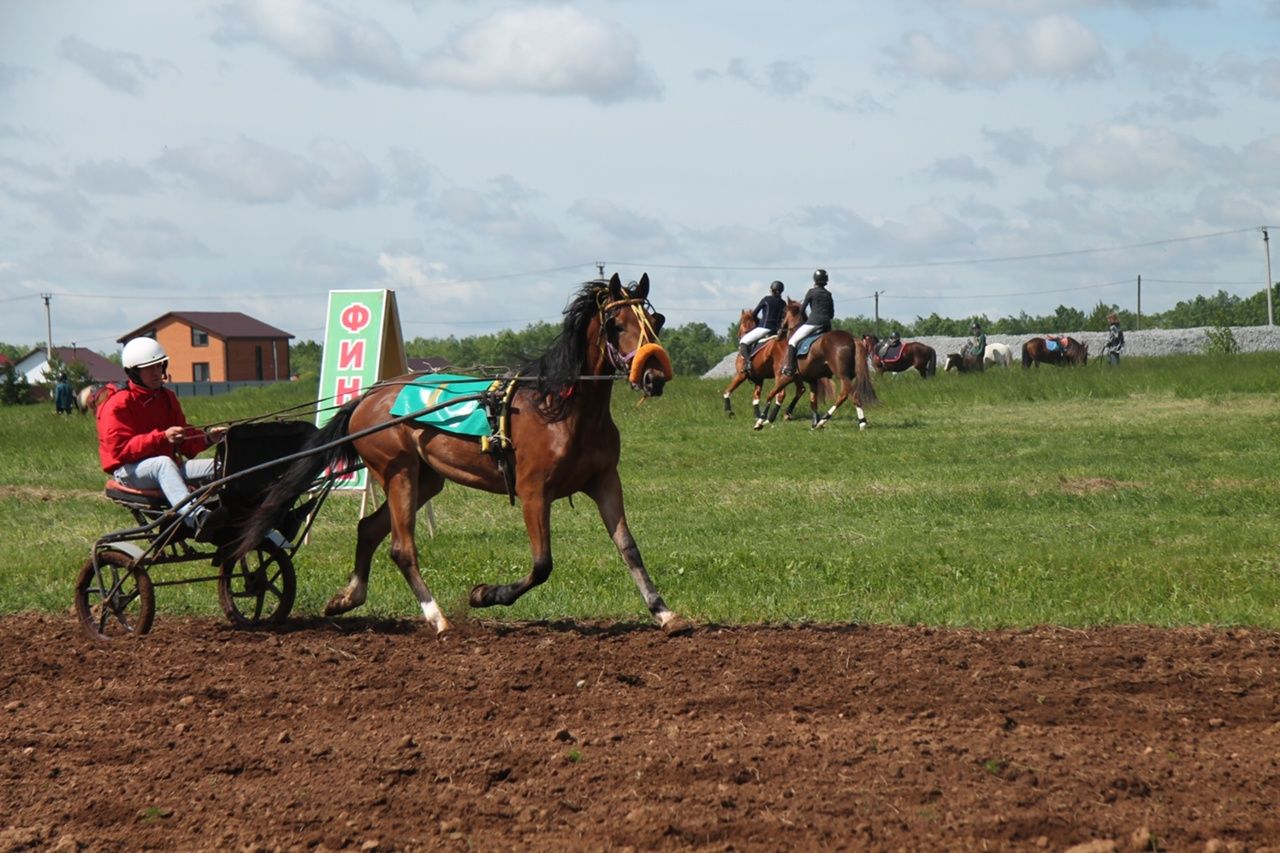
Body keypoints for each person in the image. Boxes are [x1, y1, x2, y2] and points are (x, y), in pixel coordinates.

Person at [97, 337, 227, 539]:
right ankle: (197, 518)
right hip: (130, 472)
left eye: (159, 365)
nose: (157, 372)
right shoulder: (118, 404)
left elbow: (185, 439)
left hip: (167, 467)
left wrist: (208, 438)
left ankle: (236, 516)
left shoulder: (167, 397)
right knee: (163, 463)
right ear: (134, 372)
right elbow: (120, 450)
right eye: (149, 368)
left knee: (220, 465)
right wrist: (162, 438)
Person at [783, 269, 834, 376]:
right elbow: (831, 314)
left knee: (792, 341)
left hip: (813, 323)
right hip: (827, 325)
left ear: (815, 280)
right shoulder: (828, 294)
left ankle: (790, 367)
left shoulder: (811, 292)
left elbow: (802, 310)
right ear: (826, 280)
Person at [737, 280, 786, 375]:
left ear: (771, 290)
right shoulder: (783, 303)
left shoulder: (766, 299)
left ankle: (748, 364)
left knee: (743, 342)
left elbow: (754, 314)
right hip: (777, 331)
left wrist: (758, 323)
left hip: (764, 328)